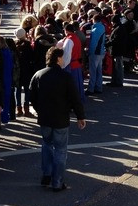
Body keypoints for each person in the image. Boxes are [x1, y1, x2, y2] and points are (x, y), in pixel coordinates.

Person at [29, 47, 86, 191]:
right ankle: (57, 181)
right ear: (58, 59)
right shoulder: (65, 76)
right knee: (60, 150)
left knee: (47, 145)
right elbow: (75, 98)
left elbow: (32, 96)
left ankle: (46, 174)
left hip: (45, 118)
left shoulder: (38, 75)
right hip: (61, 118)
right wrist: (80, 116)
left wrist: (39, 110)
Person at [86, 13, 106, 95]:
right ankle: (98, 87)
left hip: (95, 52)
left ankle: (91, 89)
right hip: (101, 52)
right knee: (99, 71)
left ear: (94, 20)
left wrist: (89, 52)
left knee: (93, 71)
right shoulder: (102, 27)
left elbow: (93, 43)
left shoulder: (95, 30)